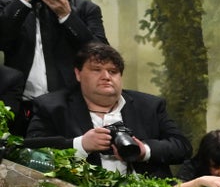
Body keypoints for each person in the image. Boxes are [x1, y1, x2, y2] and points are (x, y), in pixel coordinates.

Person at [23, 40, 189, 179]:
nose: (106, 77)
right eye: (97, 70)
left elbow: (182, 147)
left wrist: (143, 150)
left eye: (113, 71)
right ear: (78, 74)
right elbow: (30, 154)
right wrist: (80, 145)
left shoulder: (149, 106)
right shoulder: (52, 106)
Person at [0, 0, 104, 101]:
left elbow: (101, 56)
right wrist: (23, 0)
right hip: (20, 102)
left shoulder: (84, 9)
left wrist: (67, 16)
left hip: (69, 103)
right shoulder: (8, 5)